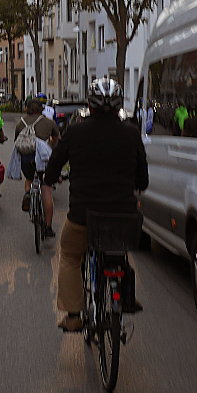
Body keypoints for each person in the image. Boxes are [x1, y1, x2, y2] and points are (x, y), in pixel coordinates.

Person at [44, 77, 148, 332]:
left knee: (68, 256)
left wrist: (51, 178)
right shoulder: (132, 134)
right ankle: (123, 293)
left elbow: (54, 165)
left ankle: (74, 315)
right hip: (124, 217)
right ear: (118, 106)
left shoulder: (76, 131)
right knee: (119, 251)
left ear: (89, 105)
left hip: (83, 215)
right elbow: (142, 180)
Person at [15, 98, 60, 237]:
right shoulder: (48, 122)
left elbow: (17, 140)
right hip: (42, 158)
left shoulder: (20, 123)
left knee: (29, 178)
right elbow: (56, 138)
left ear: (27, 108)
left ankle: (28, 193)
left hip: (26, 157)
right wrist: (50, 146)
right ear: (41, 109)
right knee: (46, 188)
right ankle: (47, 226)